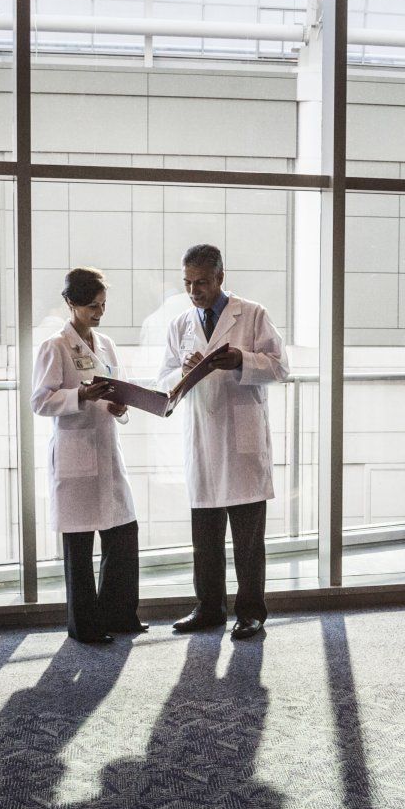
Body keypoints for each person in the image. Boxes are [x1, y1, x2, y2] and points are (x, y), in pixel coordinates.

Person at [159, 243, 289, 639]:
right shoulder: (180, 324)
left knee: (248, 542)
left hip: (242, 442)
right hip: (202, 442)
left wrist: (242, 362)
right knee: (206, 540)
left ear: (220, 277)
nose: (194, 290)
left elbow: (281, 367)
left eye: (201, 282)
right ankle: (209, 608)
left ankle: (250, 613)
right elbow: (163, 383)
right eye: (187, 283)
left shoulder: (252, 315)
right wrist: (181, 372)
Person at [33, 267, 145, 646]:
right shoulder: (55, 346)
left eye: (102, 305)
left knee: (123, 533)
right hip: (75, 453)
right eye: (91, 307)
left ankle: (120, 615)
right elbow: (40, 401)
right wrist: (80, 396)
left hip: (106, 450)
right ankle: (85, 627)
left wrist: (119, 407)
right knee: (79, 548)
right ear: (70, 303)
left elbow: (120, 392)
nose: (99, 313)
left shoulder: (107, 345)